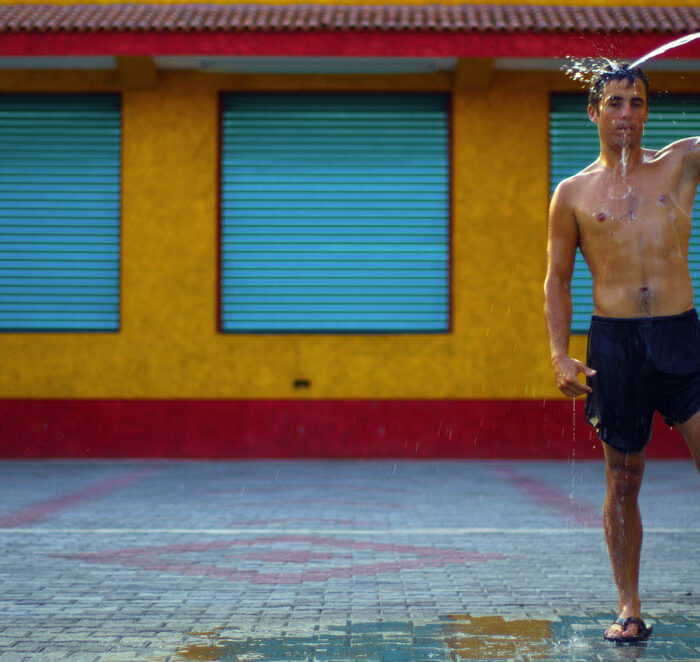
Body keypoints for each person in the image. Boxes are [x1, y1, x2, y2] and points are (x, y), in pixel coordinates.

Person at [544, 63, 700, 643]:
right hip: (615, 345)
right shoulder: (573, 193)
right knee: (624, 479)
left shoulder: (681, 163)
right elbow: (557, 281)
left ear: (648, 112)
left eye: (636, 103)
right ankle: (629, 607)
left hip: (680, 337)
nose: (626, 113)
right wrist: (560, 355)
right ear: (594, 112)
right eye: (614, 103)